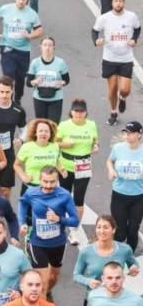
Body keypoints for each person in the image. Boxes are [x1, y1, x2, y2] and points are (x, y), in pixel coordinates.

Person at [19, 166, 80, 298]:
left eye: (52, 182)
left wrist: (59, 219)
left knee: (53, 278)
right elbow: (23, 204)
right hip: (37, 242)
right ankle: (42, 305)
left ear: (57, 180)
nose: (48, 185)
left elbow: (75, 221)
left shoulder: (64, 195)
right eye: (45, 181)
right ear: (40, 180)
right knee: (43, 280)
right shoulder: (31, 193)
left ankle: (46, 294)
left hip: (58, 243)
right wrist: (22, 223)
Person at [92, 0, 141, 126]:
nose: (118, 3)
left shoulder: (131, 17)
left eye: (120, 1)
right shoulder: (105, 18)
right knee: (113, 87)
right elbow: (95, 31)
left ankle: (122, 98)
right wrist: (96, 40)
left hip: (126, 58)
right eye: (116, 1)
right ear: (112, 3)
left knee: (125, 89)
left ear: (124, 3)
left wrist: (134, 39)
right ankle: (113, 112)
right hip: (110, 58)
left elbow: (137, 29)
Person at [56, 99, 98, 245]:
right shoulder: (64, 125)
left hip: (84, 165)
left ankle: (74, 230)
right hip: (66, 165)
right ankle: (60, 227)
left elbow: (95, 141)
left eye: (81, 112)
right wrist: (65, 144)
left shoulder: (91, 125)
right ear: (71, 112)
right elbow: (54, 142)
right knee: (64, 197)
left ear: (85, 113)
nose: (79, 115)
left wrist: (96, 146)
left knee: (79, 200)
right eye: (76, 112)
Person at [74, 215, 139, 306]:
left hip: (116, 300)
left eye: (106, 227)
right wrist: (88, 281)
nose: (101, 231)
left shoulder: (125, 249)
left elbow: (134, 266)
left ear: (113, 230)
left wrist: (134, 269)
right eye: (99, 227)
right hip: (94, 300)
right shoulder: (86, 251)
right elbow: (76, 275)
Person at [0, 0, 43, 104]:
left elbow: (40, 30)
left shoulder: (32, 14)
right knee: (9, 75)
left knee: (20, 77)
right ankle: (8, 99)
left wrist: (30, 35)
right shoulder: (5, 9)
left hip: (23, 50)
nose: (21, 1)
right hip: (7, 47)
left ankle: (18, 97)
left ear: (27, 0)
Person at [107, 121, 143, 251]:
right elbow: (110, 161)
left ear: (139, 134)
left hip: (138, 197)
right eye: (126, 132)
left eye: (131, 133)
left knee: (133, 230)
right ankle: (116, 254)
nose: (128, 135)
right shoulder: (118, 148)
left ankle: (130, 254)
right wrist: (111, 170)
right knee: (120, 229)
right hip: (119, 194)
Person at [26, 37, 70, 123]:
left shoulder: (60, 62)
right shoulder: (35, 63)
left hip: (56, 99)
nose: (47, 48)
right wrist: (35, 82)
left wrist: (61, 83)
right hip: (39, 99)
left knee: (53, 126)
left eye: (50, 45)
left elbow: (67, 80)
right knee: (41, 125)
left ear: (54, 47)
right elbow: (28, 82)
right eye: (45, 45)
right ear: (41, 47)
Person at [15, 118, 62, 194]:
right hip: (31, 188)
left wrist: (62, 170)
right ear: (35, 133)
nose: (43, 133)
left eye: (46, 131)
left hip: (50, 188)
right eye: (40, 131)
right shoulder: (27, 147)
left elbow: (57, 160)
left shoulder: (55, 146)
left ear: (50, 134)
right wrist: (23, 176)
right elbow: (16, 165)